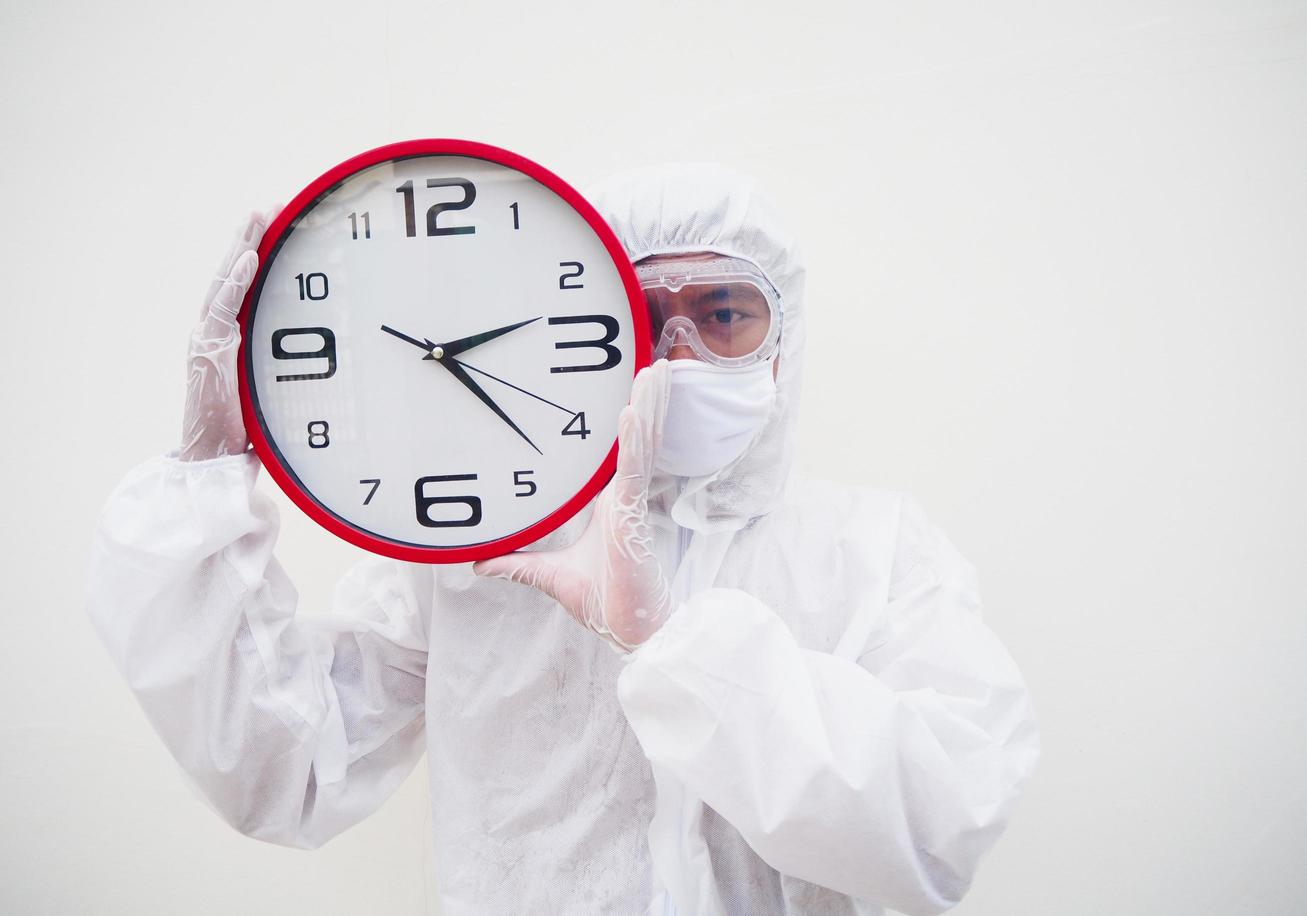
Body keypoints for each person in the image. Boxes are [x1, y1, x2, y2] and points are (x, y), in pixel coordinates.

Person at [88, 162, 1040, 915]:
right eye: (640, 314)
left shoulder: (868, 550)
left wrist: (670, 640)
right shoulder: (482, 554)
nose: (675, 356)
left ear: (782, 338)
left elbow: (935, 832)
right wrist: (204, 487)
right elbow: (284, 768)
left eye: (722, 316)